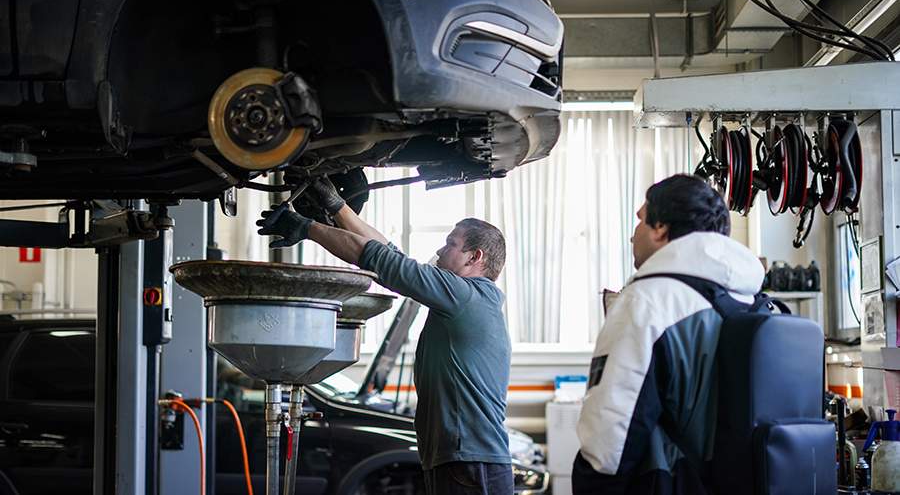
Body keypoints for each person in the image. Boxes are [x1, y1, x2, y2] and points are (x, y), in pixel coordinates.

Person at [256, 178, 514, 495]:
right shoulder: (467, 298)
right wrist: (337, 207)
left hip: (471, 464)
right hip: (462, 461)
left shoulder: (465, 296)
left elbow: (382, 260)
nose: (439, 250)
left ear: (474, 257)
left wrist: (307, 227)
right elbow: (390, 256)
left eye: (451, 244)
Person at [573, 174, 764, 495]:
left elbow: (610, 436)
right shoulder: (749, 298)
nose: (632, 235)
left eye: (640, 220)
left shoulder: (648, 300)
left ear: (660, 228)